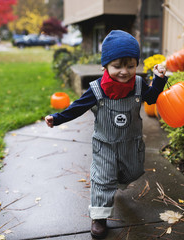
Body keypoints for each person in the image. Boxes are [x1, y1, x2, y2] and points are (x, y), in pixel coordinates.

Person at [45, 30, 167, 239]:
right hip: (105, 145)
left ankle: (116, 183)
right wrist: (57, 118)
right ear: (105, 66)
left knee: (131, 172)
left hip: (131, 144)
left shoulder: (138, 84)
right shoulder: (97, 89)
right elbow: (77, 107)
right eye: (117, 66)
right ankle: (99, 217)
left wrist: (159, 79)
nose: (124, 71)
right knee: (102, 179)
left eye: (130, 65)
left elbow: (152, 98)